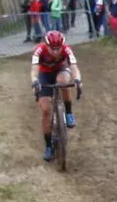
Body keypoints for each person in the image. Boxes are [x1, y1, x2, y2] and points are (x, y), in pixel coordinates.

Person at [31, 31, 82, 162]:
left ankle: (69, 113)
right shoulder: (38, 50)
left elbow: (74, 67)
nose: (55, 51)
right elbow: (34, 69)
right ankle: (48, 146)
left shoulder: (67, 50)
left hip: (61, 70)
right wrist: (35, 81)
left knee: (63, 82)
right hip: (44, 74)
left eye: (58, 48)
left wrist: (77, 80)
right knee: (45, 109)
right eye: (52, 48)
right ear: (46, 45)